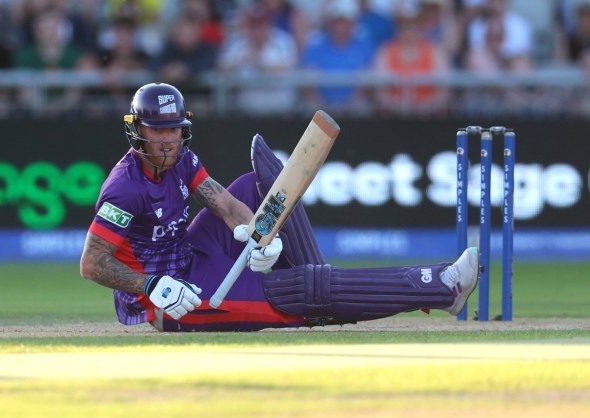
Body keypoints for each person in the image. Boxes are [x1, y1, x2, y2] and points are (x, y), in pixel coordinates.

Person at [79, 82, 480, 332]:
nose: (167, 140)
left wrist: (256, 230)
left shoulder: (183, 158)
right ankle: (440, 286)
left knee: (257, 187)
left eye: (174, 130)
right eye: (157, 130)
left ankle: (314, 286)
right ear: (137, 130)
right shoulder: (125, 189)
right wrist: (149, 285)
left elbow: (223, 202)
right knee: (303, 289)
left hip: (191, 256)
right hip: (173, 300)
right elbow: (92, 263)